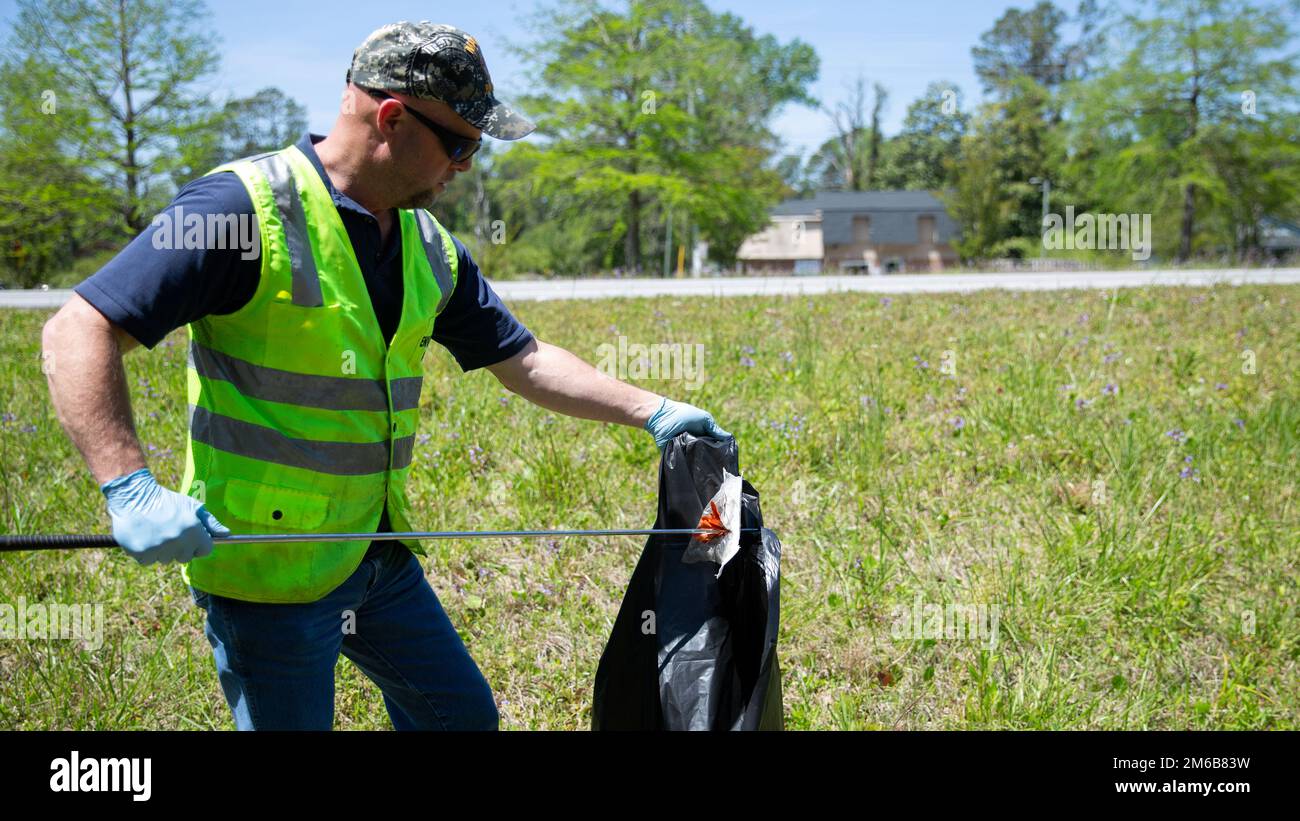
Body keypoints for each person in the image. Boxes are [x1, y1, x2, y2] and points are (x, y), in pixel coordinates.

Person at [40, 21, 732, 731]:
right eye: (460, 144)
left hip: (375, 553)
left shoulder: (426, 244)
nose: (465, 166)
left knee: (459, 719)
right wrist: (128, 486)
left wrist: (654, 407)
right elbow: (76, 329)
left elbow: (523, 359)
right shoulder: (241, 212)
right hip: (270, 574)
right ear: (392, 118)